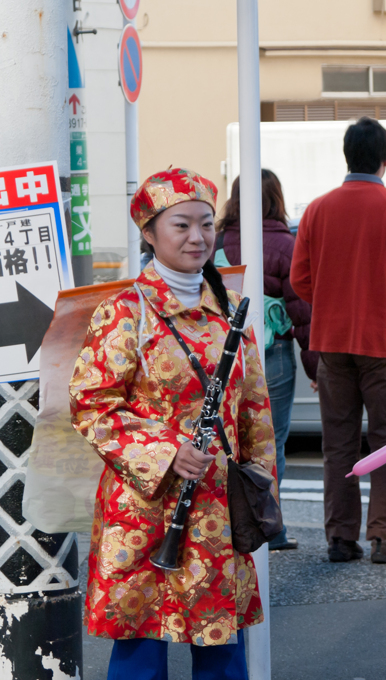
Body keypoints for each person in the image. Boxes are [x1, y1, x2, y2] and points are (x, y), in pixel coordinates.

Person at [69, 168, 276, 679]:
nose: (198, 237)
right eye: (181, 225)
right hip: (143, 509)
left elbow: (253, 410)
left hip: (217, 509)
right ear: (149, 232)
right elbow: (92, 403)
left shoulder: (227, 311)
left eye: (206, 224)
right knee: (141, 645)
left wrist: (260, 480)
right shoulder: (124, 311)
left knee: (221, 645)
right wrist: (165, 450)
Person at [291, 116, 386, 565]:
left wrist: (333, 303)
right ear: (384, 160)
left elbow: (300, 279)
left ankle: (340, 538)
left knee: (337, 444)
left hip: (332, 343)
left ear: (347, 156)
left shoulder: (318, 209)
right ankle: (384, 539)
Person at [217, 168, 318, 552]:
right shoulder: (285, 245)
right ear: (276, 198)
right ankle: (271, 528)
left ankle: (225, 523)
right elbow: (301, 310)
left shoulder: (216, 242)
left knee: (226, 438)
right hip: (272, 353)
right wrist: (314, 368)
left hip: (222, 352)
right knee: (270, 442)